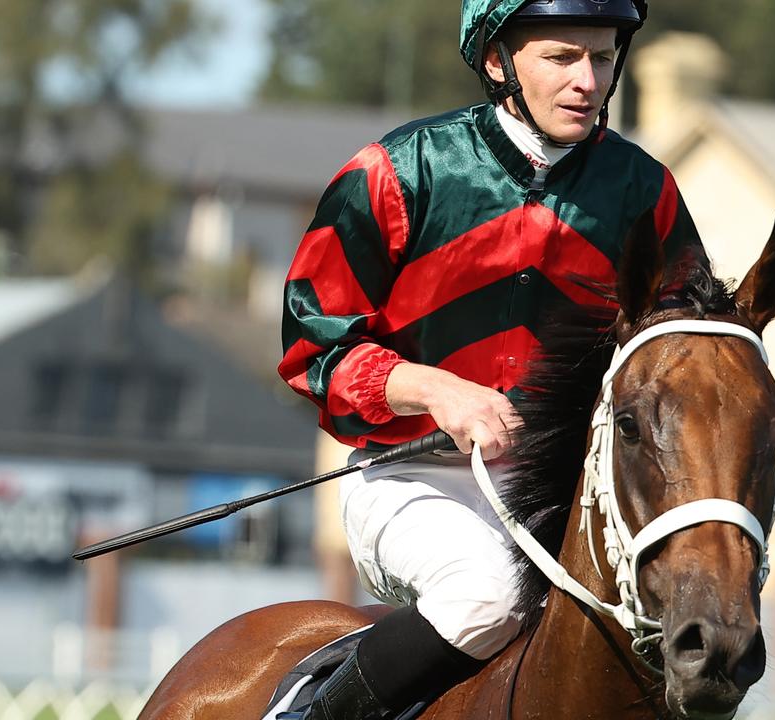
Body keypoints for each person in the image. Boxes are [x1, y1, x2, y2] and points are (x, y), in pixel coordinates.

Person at [278, 1, 708, 717]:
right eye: (561, 58)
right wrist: (437, 390)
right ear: (496, 60)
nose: (587, 81)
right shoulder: (396, 172)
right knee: (488, 596)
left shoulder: (646, 193)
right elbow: (312, 349)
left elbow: (680, 354)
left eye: (601, 58)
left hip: (570, 495)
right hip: (414, 476)